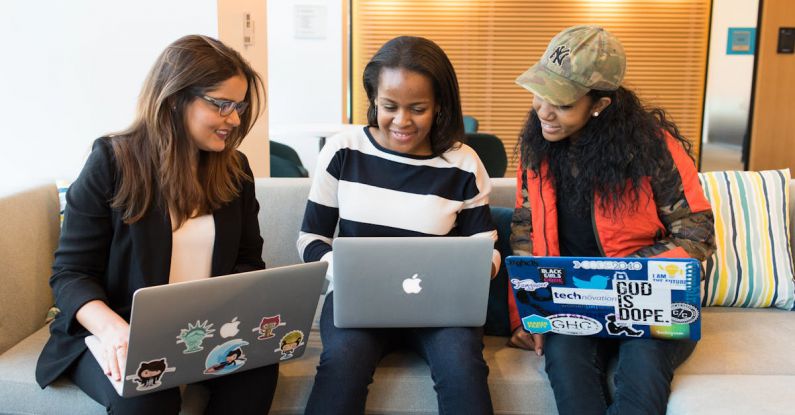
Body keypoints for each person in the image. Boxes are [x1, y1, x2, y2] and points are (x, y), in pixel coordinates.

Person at [34, 35, 278, 414]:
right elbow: (70, 274)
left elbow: (248, 262)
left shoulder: (235, 170)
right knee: (149, 394)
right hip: (116, 333)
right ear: (176, 98)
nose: (235, 119)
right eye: (222, 105)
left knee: (257, 374)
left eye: (240, 107)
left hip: (202, 334)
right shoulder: (112, 161)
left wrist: (235, 323)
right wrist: (116, 332)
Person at [507, 25, 716, 415]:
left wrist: (616, 275)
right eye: (540, 93)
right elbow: (525, 228)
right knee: (569, 375)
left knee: (643, 372)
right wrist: (529, 314)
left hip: (652, 302)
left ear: (600, 103)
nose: (544, 111)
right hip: (572, 304)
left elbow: (696, 233)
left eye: (563, 103)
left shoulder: (653, 149)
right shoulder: (537, 148)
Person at [297, 35, 500, 415]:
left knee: (463, 367)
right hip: (357, 301)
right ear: (373, 98)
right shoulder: (344, 151)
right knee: (342, 365)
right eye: (389, 106)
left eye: (418, 108)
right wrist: (345, 274)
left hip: (441, 308)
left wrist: (476, 272)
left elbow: (486, 245)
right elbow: (312, 238)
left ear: (439, 105)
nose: (402, 121)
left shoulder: (463, 163)